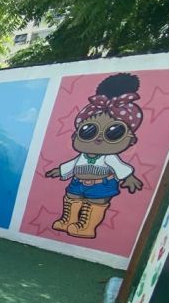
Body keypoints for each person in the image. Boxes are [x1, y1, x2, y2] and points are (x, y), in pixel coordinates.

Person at [45, 73, 144, 238]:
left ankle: (87, 227)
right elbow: (73, 163)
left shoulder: (108, 157)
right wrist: (60, 170)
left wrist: (129, 177)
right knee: (71, 198)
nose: (98, 138)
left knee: (95, 203)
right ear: (76, 134)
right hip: (78, 182)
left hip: (102, 185)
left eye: (114, 132)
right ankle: (68, 220)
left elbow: (120, 167)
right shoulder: (83, 155)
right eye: (88, 131)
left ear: (130, 139)